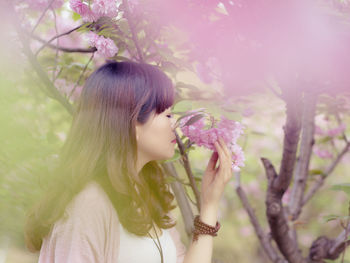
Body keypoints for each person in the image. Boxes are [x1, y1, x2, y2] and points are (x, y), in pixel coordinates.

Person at [24, 61, 234, 263]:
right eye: (168, 115)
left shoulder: (148, 195)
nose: (175, 124)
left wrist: (209, 204)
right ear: (132, 122)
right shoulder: (88, 204)